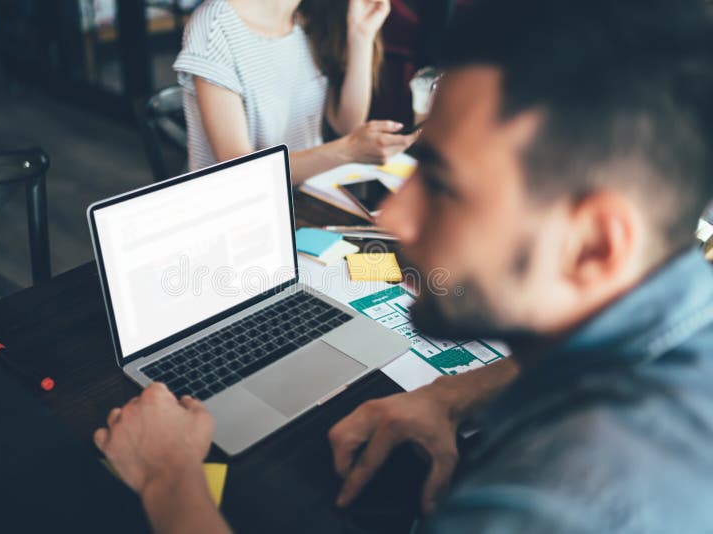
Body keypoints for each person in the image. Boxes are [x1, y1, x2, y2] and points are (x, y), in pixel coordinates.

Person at [94, 0, 713, 531]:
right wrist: (452, 394)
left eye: (441, 185)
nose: (393, 220)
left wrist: (170, 481)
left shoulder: (547, 508)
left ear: (596, 246)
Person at [173, 0, 418, 181]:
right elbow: (240, 171)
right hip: (238, 213)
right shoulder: (216, 25)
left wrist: (361, 36)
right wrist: (347, 149)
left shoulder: (308, 19)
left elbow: (346, 125)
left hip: (304, 196)